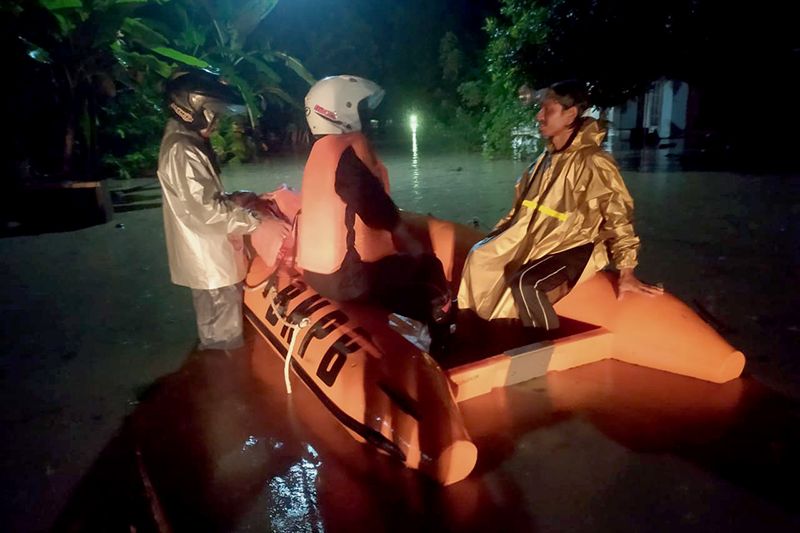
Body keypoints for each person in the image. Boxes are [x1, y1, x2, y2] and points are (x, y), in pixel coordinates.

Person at [458, 80, 663, 330]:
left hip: (577, 244)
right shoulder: (544, 161)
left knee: (527, 283)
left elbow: (618, 214)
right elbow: (520, 211)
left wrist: (627, 270)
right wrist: (497, 238)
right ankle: (475, 326)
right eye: (540, 109)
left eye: (548, 110)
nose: (539, 116)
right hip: (544, 239)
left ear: (571, 114)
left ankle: (541, 351)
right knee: (479, 255)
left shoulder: (593, 160)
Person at [296, 75, 452, 345]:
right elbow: (375, 208)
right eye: (360, 108)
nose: (365, 115)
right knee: (429, 266)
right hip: (348, 278)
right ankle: (445, 345)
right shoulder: (346, 155)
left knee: (402, 268)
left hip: (315, 273)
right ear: (341, 110)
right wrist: (409, 239)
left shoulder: (320, 153)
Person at [157, 68, 284, 350]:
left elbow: (200, 196)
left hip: (208, 252)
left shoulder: (186, 142)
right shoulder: (183, 149)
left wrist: (237, 198)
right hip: (209, 258)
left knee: (219, 328)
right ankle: (224, 385)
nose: (217, 120)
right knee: (222, 338)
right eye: (214, 112)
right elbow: (207, 210)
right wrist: (258, 222)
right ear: (193, 108)